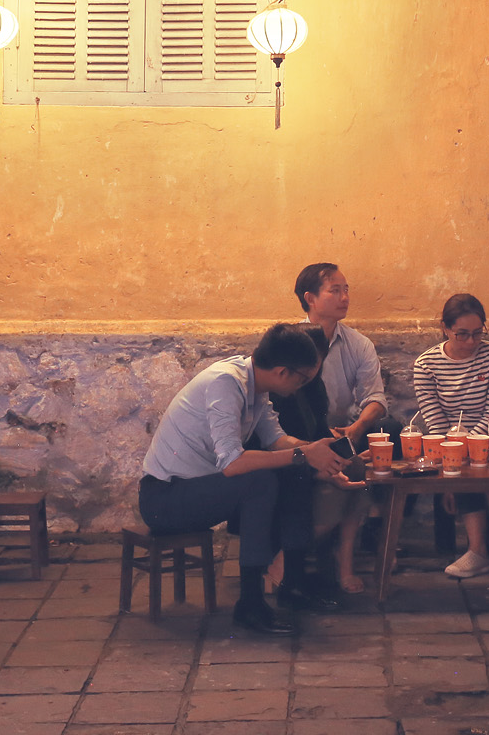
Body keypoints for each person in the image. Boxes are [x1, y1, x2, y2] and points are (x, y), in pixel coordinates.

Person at [137, 323, 351, 635]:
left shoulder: (254, 385)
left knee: (293, 470)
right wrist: (304, 456)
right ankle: (250, 604)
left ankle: (293, 583)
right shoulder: (226, 382)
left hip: (195, 490)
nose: (303, 386)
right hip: (165, 499)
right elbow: (233, 464)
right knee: (259, 481)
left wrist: (319, 453)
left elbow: (277, 441)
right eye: (302, 379)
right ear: (281, 372)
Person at [293, 262, 387, 591]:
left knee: (382, 439)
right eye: (335, 290)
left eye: (346, 289)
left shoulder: (358, 344)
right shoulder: (293, 341)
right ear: (310, 298)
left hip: (344, 432)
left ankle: (344, 563)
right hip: (300, 435)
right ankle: (292, 556)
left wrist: (357, 427)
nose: (345, 297)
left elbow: (375, 397)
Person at [411, 292, 489, 579]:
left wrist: (469, 444)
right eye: (462, 335)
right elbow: (434, 422)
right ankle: (478, 550)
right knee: (460, 464)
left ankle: (483, 550)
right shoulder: (426, 365)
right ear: (445, 328)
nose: (471, 342)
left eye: (477, 333)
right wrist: (455, 450)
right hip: (446, 443)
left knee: (475, 461)